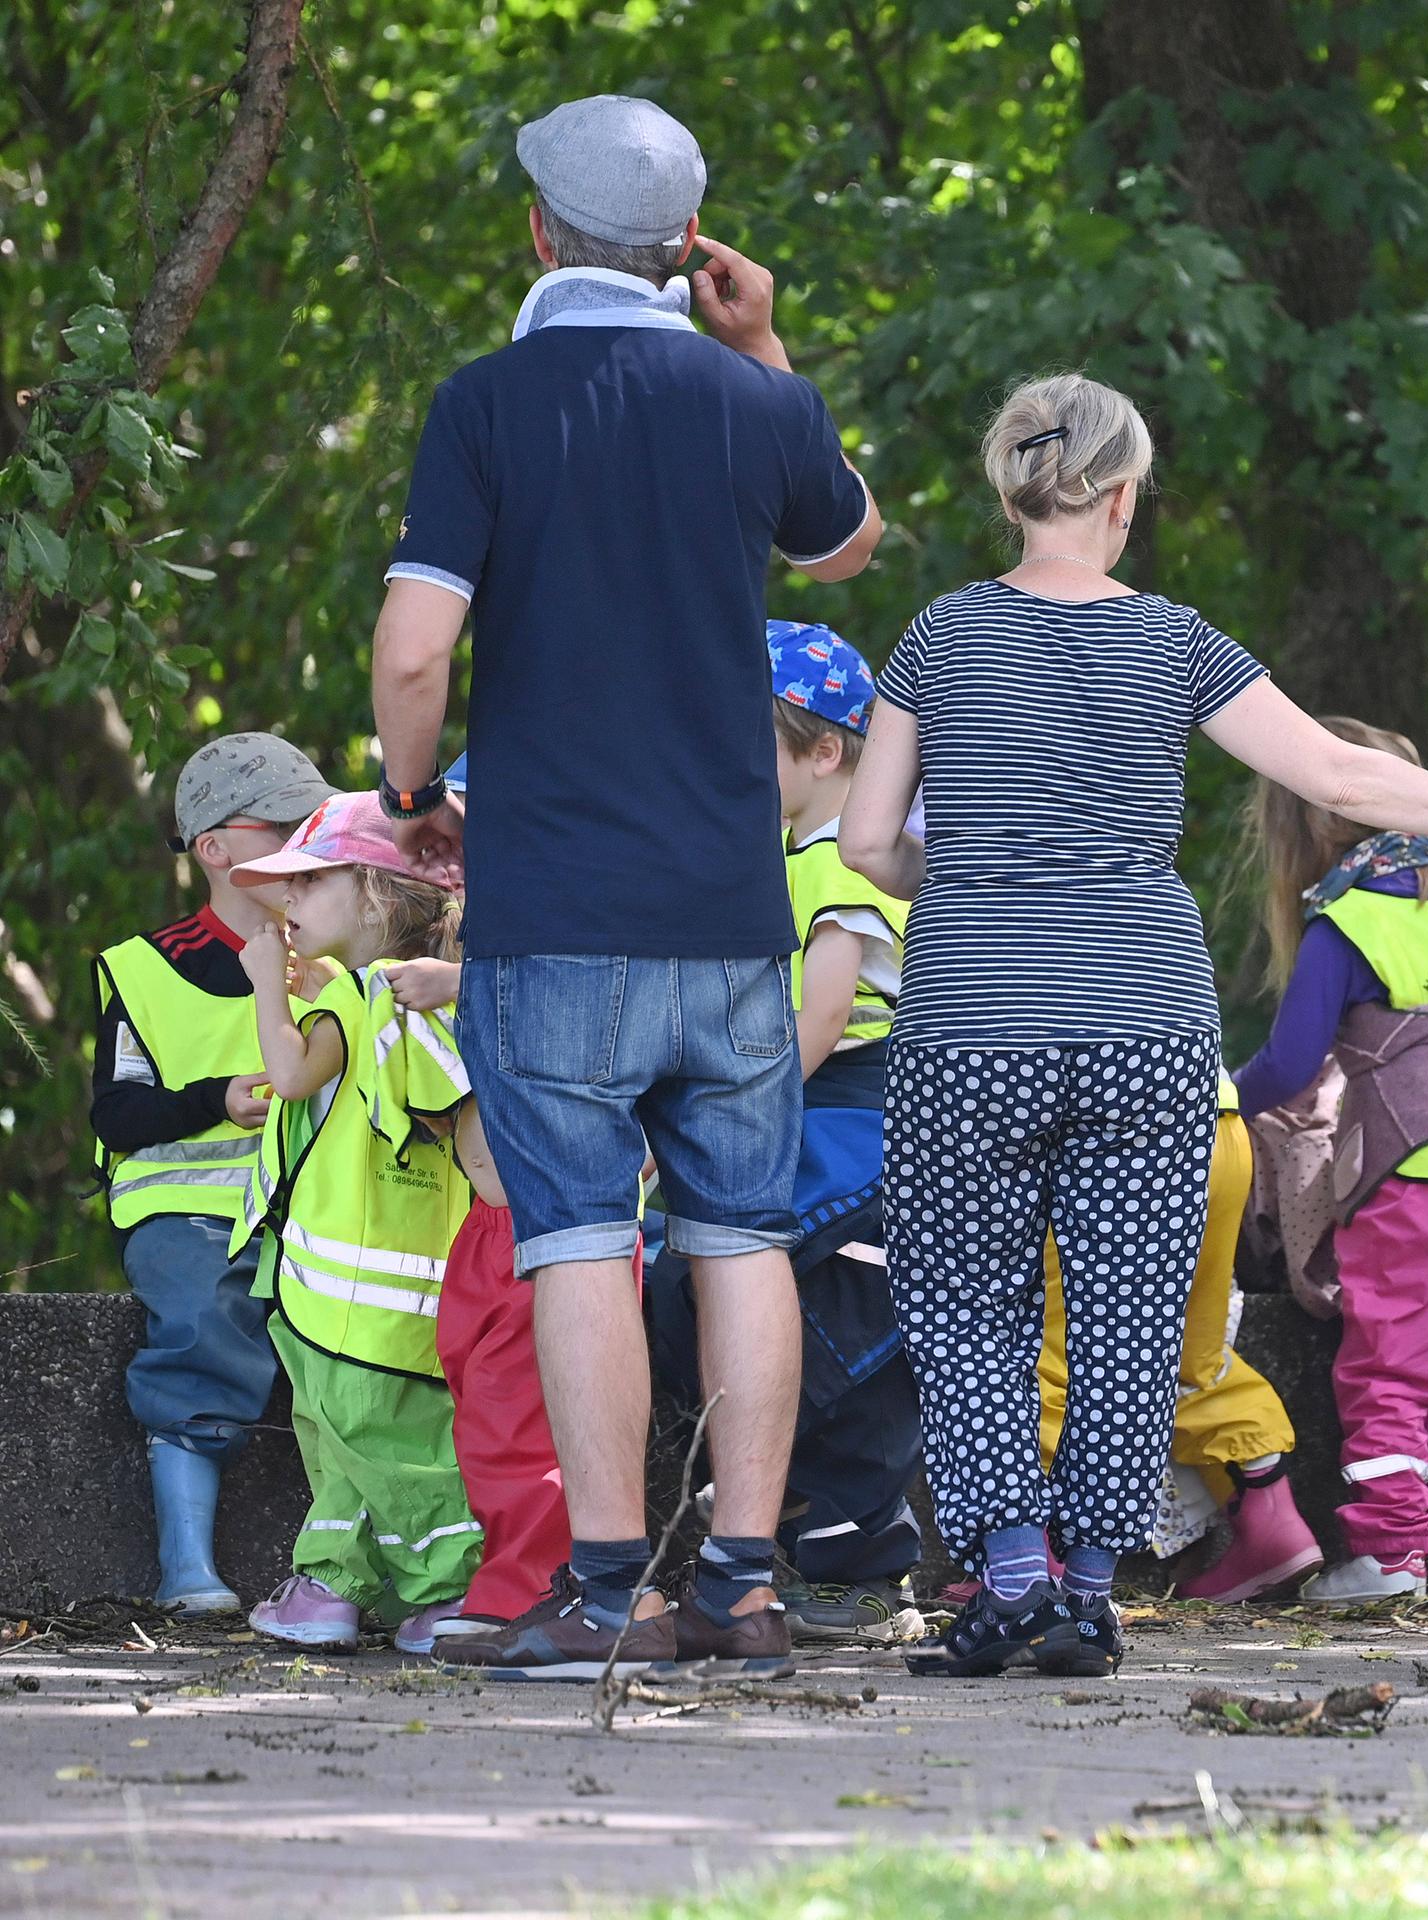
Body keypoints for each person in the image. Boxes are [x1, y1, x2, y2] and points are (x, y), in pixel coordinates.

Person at [840, 371, 1428, 1680]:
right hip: (1147, 1023)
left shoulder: (937, 637)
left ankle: (1008, 1582)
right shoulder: (1175, 640)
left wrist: (977, 876)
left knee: (966, 1305)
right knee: (1132, 1305)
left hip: (969, 1024)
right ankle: (1091, 1593)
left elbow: (870, 840)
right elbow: (1337, 771)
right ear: (1122, 496)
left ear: (1009, 491)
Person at [370, 94, 882, 1681]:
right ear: (687, 248)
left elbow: (412, 651)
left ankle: (607, 1600)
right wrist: (771, 352)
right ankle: (744, 1583)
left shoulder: (486, 404)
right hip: (731, 919)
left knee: (579, 1240)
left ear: (538, 234)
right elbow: (847, 545)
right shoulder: (749, 401)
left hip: (557, 915)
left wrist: (410, 797)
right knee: (737, 1235)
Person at [650, 621, 923, 1644]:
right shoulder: (796, 856)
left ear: (825, 751)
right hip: (821, 1118)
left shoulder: (845, 862)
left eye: (746, 744)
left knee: (834, 1328)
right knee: (722, 1297)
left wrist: (729, 1111)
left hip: (853, 1124)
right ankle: (798, 1524)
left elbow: (819, 1018)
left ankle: (853, 1560)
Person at [1237, 718, 1428, 1606]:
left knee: (1387, 1364)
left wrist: (1207, 1099)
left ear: (1317, 824)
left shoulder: (1348, 921)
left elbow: (1287, 1069)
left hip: (1410, 1179)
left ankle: (1393, 1555)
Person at [382, 757, 650, 1669]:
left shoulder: (583, 904)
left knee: (532, 1425)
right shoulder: (486, 924)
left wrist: (457, 987)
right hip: (492, 1234)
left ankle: (531, 1590)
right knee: (490, 1422)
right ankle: (519, 1581)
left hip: (553, 1234)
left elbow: (574, 1003)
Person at [226, 793, 479, 1655]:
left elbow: (291, 1073)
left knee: (351, 1440)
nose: (287, 902)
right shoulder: (438, 997)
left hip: (339, 1294)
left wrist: (267, 987)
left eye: (309, 881)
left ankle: (378, 1591)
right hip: (422, 1292)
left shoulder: (360, 998)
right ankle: (392, 1592)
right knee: (398, 1442)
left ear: (372, 891)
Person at [91, 733, 336, 1614]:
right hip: (187, 1215)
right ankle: (184, 1568)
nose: (310, 839)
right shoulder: (144, 969)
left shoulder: (336, 957)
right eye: (286, 825)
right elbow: (115, 1116)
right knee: (200, 1326)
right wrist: (210, 1100)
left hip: (321, 1212)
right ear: (215, 850)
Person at [1033, 1070, 1318, 1603]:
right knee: (1193, 1353)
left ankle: (1030, 1561)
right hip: (1214, 1124)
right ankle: (1272, 1520)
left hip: (1105, 1128)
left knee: (1054, 1350)